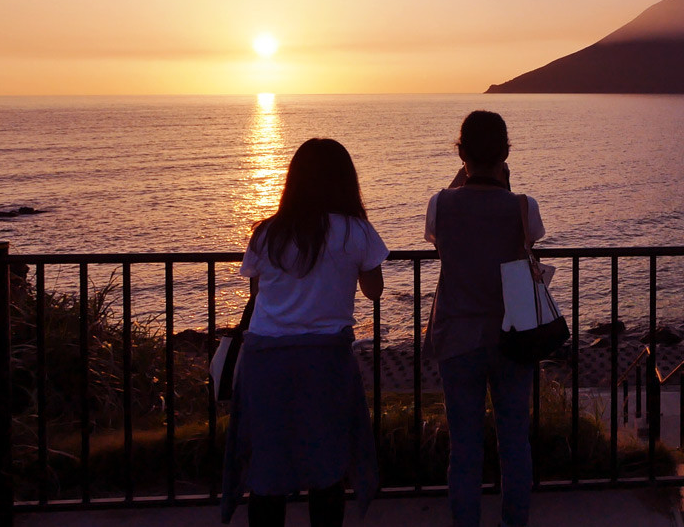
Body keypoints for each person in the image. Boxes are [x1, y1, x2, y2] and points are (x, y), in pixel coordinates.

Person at [222, 138, 387, 527]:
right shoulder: (356, 231)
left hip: (265, 360)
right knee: (326, 468)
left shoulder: (268, 233)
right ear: (346, 181)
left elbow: (261, 292)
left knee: (268, 472)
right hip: (324, 359)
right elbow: (374, 291)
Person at [425, 111, 545, 527]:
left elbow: (441, 239)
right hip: (513, 336)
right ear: (506, 153)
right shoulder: (523, 208)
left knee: (465, 449)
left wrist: (466, 177)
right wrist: (499, 183)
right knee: (514, 444)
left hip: (456, 336)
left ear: (461, 153)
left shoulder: (440, 205)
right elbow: (530, 239)